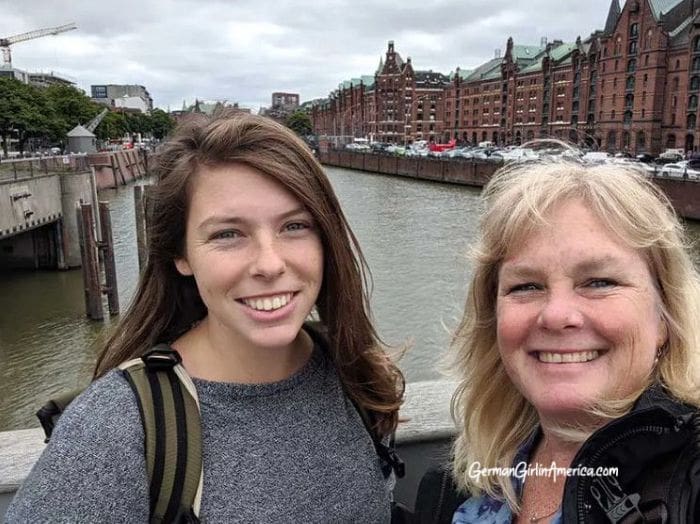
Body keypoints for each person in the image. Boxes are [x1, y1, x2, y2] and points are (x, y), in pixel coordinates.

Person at [7, 112, 404, 522]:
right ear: (180, 254)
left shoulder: (359, 376)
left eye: (295, 226)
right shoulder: (114, 431)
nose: (270, 264)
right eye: (227, 234)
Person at [414, 160, 700, 523]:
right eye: (526, 286)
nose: (555, 314)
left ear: (664, 317)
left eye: (599, 282)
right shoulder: (459, 484)